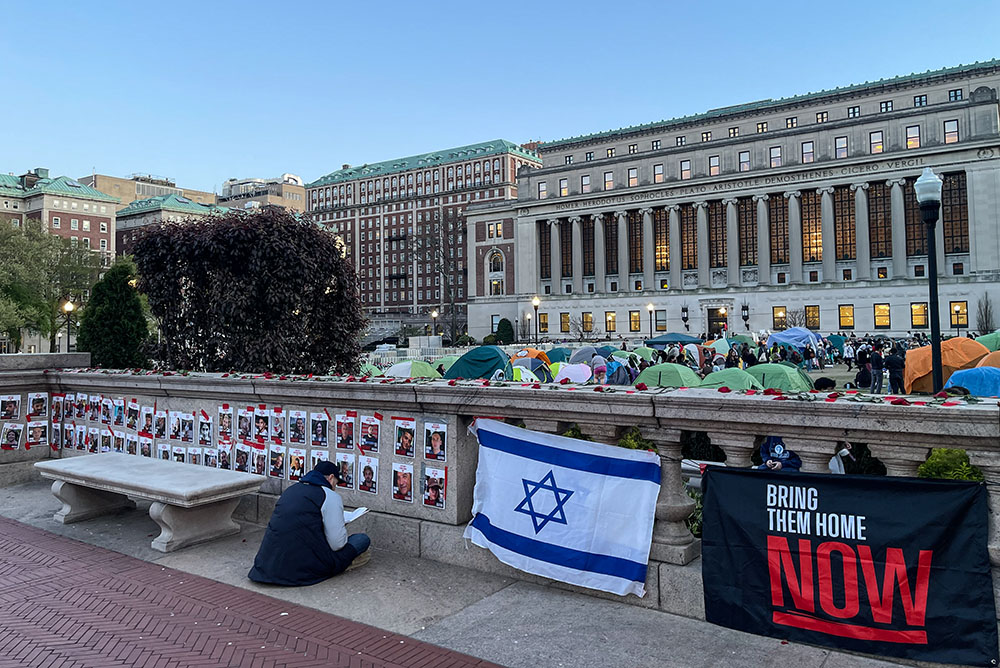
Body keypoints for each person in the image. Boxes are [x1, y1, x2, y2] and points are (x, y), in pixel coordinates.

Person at [248, 460, 370, 586]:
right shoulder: (329, 495)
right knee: (361, 539)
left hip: (265, 566)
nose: (335, 487)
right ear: (331, 478)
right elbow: (337, 544)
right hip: (304, 569)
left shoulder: (291, 490)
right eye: (336, 483)